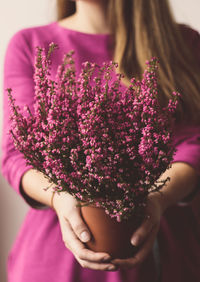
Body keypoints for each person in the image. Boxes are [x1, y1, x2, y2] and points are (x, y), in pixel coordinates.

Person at [1, 0, 200, 281]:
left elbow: (193, 145)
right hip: (54, 262)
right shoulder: (30, 43)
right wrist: (60, 199)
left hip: (162, 256)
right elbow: (16, 154)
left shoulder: (183, 43)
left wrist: (156, 199)